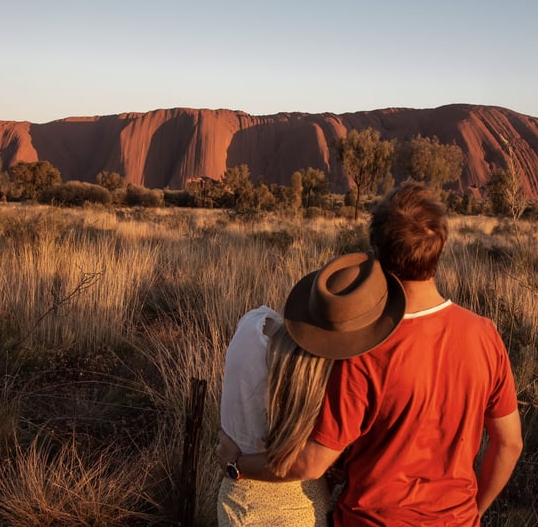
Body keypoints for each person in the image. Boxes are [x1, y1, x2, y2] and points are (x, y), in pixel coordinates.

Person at [222, 183, 522, 525]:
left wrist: (238, 466)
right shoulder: (485, 335)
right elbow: (509, 445)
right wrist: (473, 513)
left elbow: (314, 463)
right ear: (440, 248)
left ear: (376, 252)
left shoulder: (363, 352)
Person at [217, 251, 406, 526]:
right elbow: (315, 462)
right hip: (302, 505)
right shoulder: (329, 380)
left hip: (236, 499)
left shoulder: (251, 323)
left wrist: (234, 461)